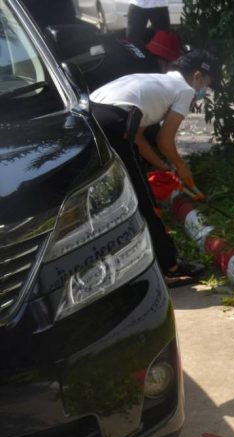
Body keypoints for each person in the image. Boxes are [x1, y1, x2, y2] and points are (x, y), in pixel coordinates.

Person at [89, 49, 218, 287]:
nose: (203, 90)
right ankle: (171, 266)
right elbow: (164, 140)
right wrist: (181, 167)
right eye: (206, 84)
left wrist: (165, 166)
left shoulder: (158, 81)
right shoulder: (185, 90)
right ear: (197, 76)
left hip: (91, 113)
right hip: (113, 123)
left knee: (115, 197)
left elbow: (138, 139)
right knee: (144, 200)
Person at [69, 29, 183, 92]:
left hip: (69, 67)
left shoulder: (134, 45)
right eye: (173, 66)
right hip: (79, 89)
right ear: (166, 62)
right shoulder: (150, 73)